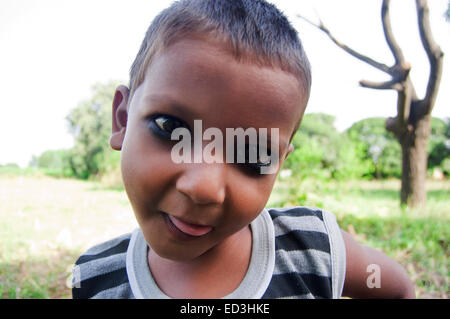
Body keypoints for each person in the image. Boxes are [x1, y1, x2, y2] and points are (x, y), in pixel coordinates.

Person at [72, 0, 415, 299]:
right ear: (122, 118)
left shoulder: (315, 251)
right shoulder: (95, 278)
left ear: (279, 164)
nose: (203, 187)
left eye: (252, 157)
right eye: (170, 128)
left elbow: (397, 289)